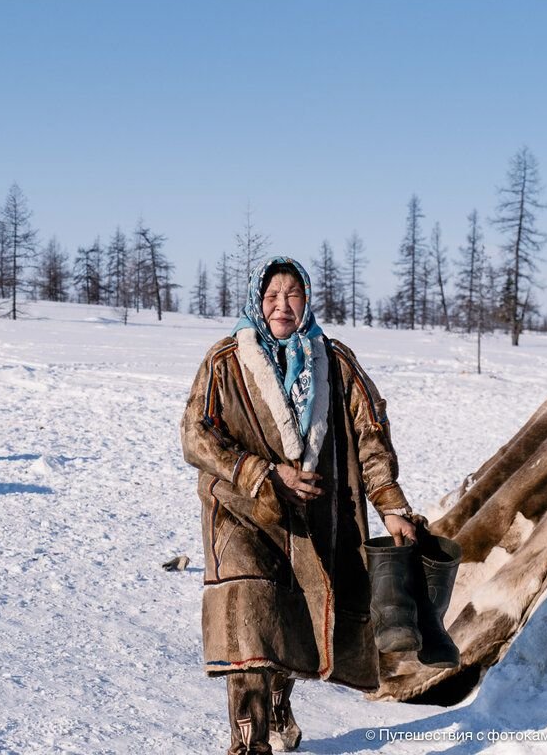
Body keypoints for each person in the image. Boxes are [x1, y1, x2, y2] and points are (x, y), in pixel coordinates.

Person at [181, 256, 417, 754]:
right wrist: (260, 473)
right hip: (242, 513)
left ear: (307, 301)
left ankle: (279, 703)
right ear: (256, 301)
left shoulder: (335, 362)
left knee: (292, 619)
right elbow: (195, 436)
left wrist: (390, 506)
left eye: (292, 295)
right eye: (271, 296)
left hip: (311, 521)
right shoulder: (225, 361)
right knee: (249, 617)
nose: (281, 305)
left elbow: (370, 434)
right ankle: (250, 742)